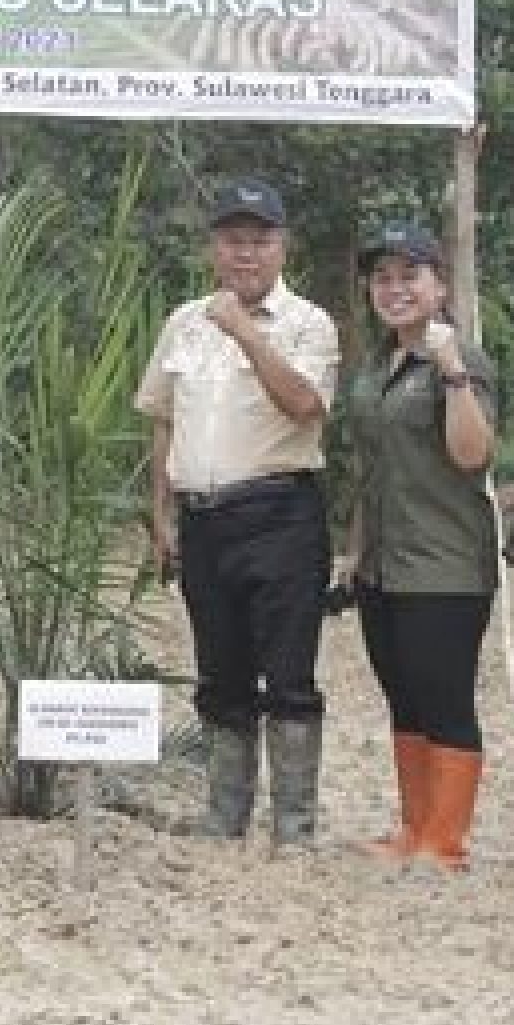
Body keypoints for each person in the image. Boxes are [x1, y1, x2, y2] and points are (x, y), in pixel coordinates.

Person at [138, 179, 339, 847]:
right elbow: (163, 419)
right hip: (202, 519)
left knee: (287, 674)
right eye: (232, 240)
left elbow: (306, 406)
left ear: (283, 247)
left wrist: (247, 335)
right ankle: (225, 816)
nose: (244, 254)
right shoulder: (182, 320)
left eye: (259, 240)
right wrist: (160, 516)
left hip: (281, 514)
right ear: (213, 248)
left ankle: (293, 825)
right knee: (219, 672)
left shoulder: (310, 324)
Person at [336, 222, 497, 870]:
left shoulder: (461, 360)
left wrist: (453, 371)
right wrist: (354, 551)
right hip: (383, 563)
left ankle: (446, 841)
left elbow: (474, 453)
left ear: (441, 285)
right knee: (402, 693)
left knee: (443, 696)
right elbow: (368, 467)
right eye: (383, 277)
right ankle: (414, 827)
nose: (395, 288)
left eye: (411, 275)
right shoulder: (378, 364)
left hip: (445, 565)